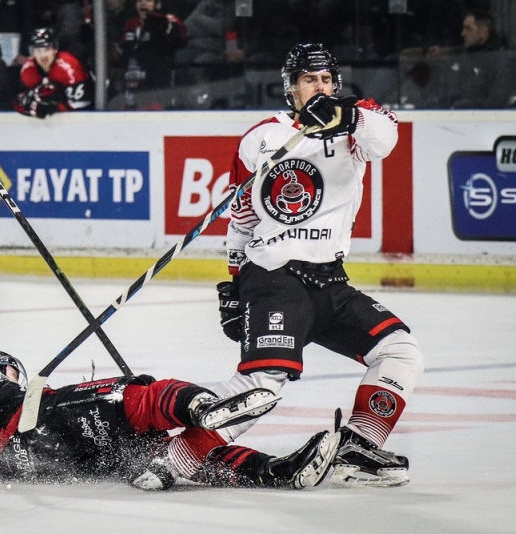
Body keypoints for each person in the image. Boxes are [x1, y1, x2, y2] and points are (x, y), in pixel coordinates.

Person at [199, 43, 424, 488]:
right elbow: (241, 218)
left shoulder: (355, 126)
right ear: (291, 88)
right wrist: (234, 284)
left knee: (400, 351)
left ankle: (358, 445)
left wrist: (346, 114)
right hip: (274, 277)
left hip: (330, 280)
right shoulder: (261, 137)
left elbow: (386, 137)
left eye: (326, 80)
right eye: (309, 80)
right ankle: (179, 453)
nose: (319, 87)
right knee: (263, 383)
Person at [0, 279, 340, 490]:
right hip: (38, 424)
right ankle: (203, 408)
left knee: (168, 453)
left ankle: (271, 472)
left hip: (69, 464)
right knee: (135, 398)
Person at [14, 27, 93, 119]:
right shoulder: (28, 70)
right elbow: (21, 101)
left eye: (47, 49)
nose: (43, 56)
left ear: (55, 49)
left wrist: (57, 107)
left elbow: (84, 101)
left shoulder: (69, 65)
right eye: (38, 50)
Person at [120, 0, 187, 98]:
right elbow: (123, 52)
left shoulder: (168, 20)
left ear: (158, 5)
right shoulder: (130, 25)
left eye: (148, 0)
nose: (143, 3)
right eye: (139, 1)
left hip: (158, 82)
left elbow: (181, 38)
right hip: (132, 78)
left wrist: (161, 24)